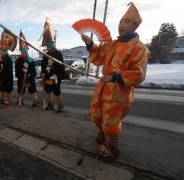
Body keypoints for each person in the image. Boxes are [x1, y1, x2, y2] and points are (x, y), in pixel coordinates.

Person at [81, 2, 150, 161]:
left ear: (135, 26)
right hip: (103, 88)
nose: (121, 25)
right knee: (96, 115)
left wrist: (115, 77)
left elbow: (139, 73)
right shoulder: (113, 44)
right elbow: (99, 55)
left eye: (126, 22)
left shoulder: (139, 48)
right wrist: (89, 43)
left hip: (120, 93)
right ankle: (102, 134)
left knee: (110, 124)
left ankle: (111, 150)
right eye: (120, 22)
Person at [41, 41, 65, 111]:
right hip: (48, 76)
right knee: (48, 91)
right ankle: (50, 104)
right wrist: (43, 72)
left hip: (56, 76)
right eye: (48, 48)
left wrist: (54, 69)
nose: (48, 49)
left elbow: (61, 66)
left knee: (57, 91)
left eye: (49, 48)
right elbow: (43, 65)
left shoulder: (58, 54)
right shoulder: (46, 55)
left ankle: (60, 105)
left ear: (53, 48)